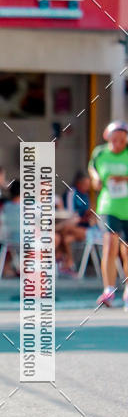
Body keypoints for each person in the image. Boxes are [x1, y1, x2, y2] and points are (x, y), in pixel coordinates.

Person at [88, 121, 128, 308]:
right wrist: (95, 179)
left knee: (126, 251)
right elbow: (93, 169)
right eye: (114, 140)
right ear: (108, 137)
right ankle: (109, 290)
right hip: (108, 206)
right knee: (110, 245)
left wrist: (124, 178)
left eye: (121, 139)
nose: (118, 143)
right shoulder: (100, 153)